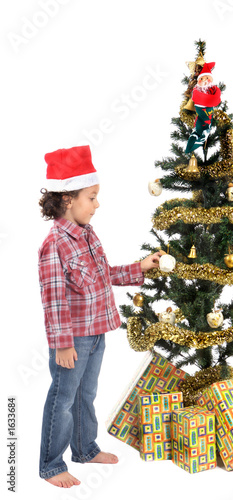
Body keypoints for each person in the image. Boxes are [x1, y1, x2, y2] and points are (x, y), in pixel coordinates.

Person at [38, 145, 161, 488]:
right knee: (63, 400)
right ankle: (50, 464)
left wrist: (140, 268)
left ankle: (85, 448)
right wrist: (62, 344)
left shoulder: (88, 234)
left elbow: (104, 275)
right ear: (67, 200)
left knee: (85, 394)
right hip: (72, 339)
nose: (97, 204)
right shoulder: (55, 244)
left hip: (96, 333)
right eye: (91, 197)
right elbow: (53, 300)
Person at [185, 62, 221, 154]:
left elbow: (216, 100)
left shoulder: (214, 90)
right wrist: (208, 101)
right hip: (200, 110)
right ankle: (194, 142)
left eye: (207, 78)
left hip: (208, 111)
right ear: (198, 81)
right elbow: (197, 98)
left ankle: (196, 141)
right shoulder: (196, 90)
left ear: (211, 79)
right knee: (201, 126)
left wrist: (208, 100)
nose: (205, 80)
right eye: (201, 78)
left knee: (206, 126)